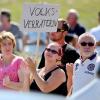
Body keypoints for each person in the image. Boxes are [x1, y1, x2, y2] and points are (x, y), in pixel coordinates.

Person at [38, 19, 80, 95]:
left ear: (65, 33)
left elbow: (76, 79)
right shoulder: (47, 49)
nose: (52, 32)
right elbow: (41, 71)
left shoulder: (71, 52)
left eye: (57, 29)